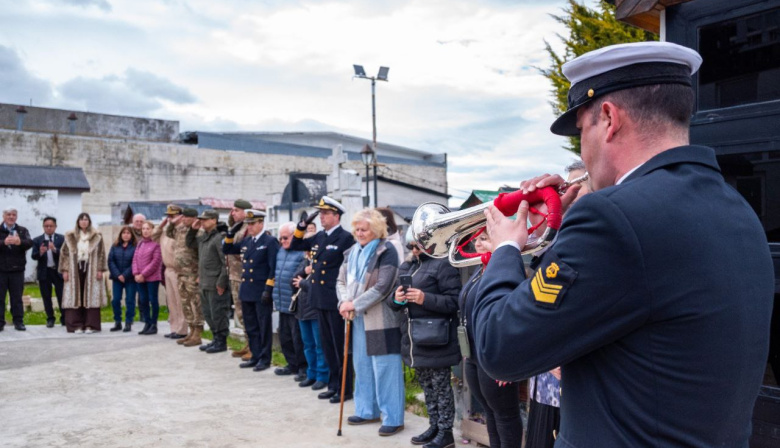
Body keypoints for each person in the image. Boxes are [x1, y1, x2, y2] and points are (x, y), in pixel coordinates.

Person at [473, 42, 775, 447]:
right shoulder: (735, 209)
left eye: (582, 131)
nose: (582, 148)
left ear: (610, 119)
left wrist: (507, 249)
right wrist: (551, 236)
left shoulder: (611, 217)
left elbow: (500, 347)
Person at [525, 161, 589, 448]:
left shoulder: (593, 237)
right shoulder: (559, 236)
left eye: (578, 184)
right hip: (543, 381)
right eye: (567, 186)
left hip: (574, 386)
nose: (570, 192)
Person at [337, 209, 403, 437]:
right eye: (357, 228)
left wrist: (353, 304)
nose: (359, 233)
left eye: (363, 229)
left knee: (386, 368)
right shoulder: (351, 252)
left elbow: (383, 287)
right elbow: (341, 280)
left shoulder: (387, 251)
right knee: (362, 366)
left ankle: (393, 417)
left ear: (376, 230)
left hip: (381, 320)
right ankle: (367, 410)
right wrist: (344, 302)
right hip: (357, 319)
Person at [390, 239, 462, 448]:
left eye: (417, 246)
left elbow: (455, 301)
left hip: (436, 338)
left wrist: (425, 299)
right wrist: (397, 298)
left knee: (441, 387)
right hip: (414, 339)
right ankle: (434, 427)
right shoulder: (407, 266)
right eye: (411, 247)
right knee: (428, 386)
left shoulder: (443, 264)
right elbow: (392, 303)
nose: (414, 250)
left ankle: (446, 432)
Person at [289, 196, 356, 403]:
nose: (322, 217)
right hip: (318, 298)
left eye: (326, 213)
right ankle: (333, 384)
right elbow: (296, 244)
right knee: (327, 346)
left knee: (339, 346)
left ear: (336, 216)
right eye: (321, 213)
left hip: (335, 299)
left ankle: (344, 389)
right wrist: (303, 225)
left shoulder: (345, 238)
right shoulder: (319, 237)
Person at [460, 230, 523, 448]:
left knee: (505, 416)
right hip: (474, 355)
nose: (477, 243)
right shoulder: (481, 269)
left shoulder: (507, 271)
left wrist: (509, 359)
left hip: (496, 356)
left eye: (484, 238)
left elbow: (514, 317)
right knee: (490, 413)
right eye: (476, 239)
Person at [223, 209, 279, 370]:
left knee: (263, 326)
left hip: (261, 290)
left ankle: (265, 358)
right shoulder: (248, 241)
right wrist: (231, 233)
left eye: (253, 223)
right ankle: (255, 355)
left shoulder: (269, 241)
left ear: (261, 223)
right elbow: (227, 250)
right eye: (248, 224)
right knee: (251, 326)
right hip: (247, 289)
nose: (250, 226)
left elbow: (272, 267)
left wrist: (268, 289)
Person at [186, 210, 230, 354]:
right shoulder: (204, 237)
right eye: (201, 220)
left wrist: (222, 282)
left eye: (205, 220)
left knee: (218, 313)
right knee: (208, 313)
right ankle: (215, 338)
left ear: (214, 220)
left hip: (215, 283)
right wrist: (193, 229)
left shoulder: (219, 237)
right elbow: (190, 242)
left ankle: (221, 341)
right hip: (204, 281)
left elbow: (225, 262)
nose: (202, 222)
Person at [59, 213, 107, 333]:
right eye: (81, 219)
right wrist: (65, 270)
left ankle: (91, 325)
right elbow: (64, 254)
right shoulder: (70, 236)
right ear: (78, 222)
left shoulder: (97, 236)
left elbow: (101, 253)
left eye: (86, 219)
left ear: (89, 221)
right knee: (75, 295)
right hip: (74, 268)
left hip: (92, 268)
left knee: (91, 296)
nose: (84, 222)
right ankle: (76, 325)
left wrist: (100, 269)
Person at [292, 241, 330, 390]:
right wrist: (304, 273)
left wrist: (302, 283)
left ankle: (322, 376)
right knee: (308, 345)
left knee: (319, 346)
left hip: (314, 310)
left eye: (311, 251)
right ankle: (311, 374)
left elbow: (317, 288)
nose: (308, 253)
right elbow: (292, 280)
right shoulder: (305, 263)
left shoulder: (321, 265)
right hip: (302, 311)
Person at [272, 222, 307, 379]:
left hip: (294, 302)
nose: (282, 241)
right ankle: (291, 364)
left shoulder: (301, 253)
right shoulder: (280, 252)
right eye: (280, 238)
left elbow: (299, 277)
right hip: (281, 301)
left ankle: (302, 367)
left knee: (297, 338)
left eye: (285, 238)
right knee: (284, 336)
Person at [153, 205, 188, 339]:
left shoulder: (182, 231)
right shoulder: (166, 230)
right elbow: (153, 236)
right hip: (168, 270)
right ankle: (174, 328)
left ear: (180, 216)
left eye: (173, 215)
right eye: (168, 216)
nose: (170, 218)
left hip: (178, 270)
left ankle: (182, 329)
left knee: (180, 301)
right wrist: (161, 225)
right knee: (171, 302)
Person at [173, 208, 204, 347]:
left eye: (186, 217)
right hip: (181, 273)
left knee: (196, 303)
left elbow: (203, 255)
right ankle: (191, 330)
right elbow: (168, 232)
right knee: (185, 303)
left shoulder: (199, 232)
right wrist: (171, 222)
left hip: (193, 273)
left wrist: (200, 274)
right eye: (182, 217)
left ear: (193, 218)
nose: (182, 219)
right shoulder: (180, 230)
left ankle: (198, 332)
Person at [0, 207, 33, 331]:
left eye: (13, 215)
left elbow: (30, 242)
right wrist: (4, 242)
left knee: (17, 298)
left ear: (16, 217)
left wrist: (20, 243)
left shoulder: (22, 230)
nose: (11, 217)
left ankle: (18, 322)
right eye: (8, 214)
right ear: (3, 216)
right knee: (0, 298)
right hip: (1, 270)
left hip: (17, 270)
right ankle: (0, 322)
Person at [226, 199, 251, 359]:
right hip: (235, 275)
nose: (232, 213)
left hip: (243, 276)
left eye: (236, 210)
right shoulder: (237, 227)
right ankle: (248, 343)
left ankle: (253, 346)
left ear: (245, 212)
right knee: (240, 314)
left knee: (245, 313)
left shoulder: (247, 229)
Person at [31, 216, 64, 328]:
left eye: (51, 226)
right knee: (46, 296)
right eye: (46, 226)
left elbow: (65, 255)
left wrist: (55, 249)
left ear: (55, 226)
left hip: (57, 271)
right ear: (43, 227)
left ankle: (64, 318)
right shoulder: (37, 240)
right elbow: (33, 256)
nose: (49, 228)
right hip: (44, 272)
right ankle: (50, 318)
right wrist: (40, 252)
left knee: (61, 295)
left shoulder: (62, 239)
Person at [133, 221, 163, 335]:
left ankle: (154, 324)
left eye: (148, 229)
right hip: (140, 278)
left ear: (152, 230)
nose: (145, 231)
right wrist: (136, 273)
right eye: (143, 229)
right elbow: (135, 259)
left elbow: (155, 262)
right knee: (143, 300)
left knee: (152, 300)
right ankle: (147, 323)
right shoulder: (140, 243)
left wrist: (143, 274)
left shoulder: (156, 244)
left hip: (152, 278)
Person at [108, 226, 137, 332]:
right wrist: (118, 275)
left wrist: (125, 275)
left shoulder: (135, 247)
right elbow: (110, 261)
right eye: (124, 233)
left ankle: (128, 322)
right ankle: (117, 322)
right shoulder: (115, 246)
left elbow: (135, 262)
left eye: (128, 233)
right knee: (115, 300)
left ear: (131, 235)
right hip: (117, 278)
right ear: (120, 234)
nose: (126, 235)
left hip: (130, 279)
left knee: (130, 300)